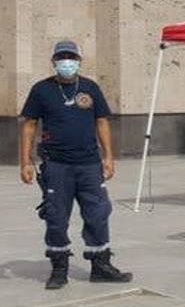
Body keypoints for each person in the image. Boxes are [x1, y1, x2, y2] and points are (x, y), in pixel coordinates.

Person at [19, 40, 131, 290]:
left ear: (79, 61)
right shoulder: (41, 90)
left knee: (98, 214)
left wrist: (109, 156)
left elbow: (102, 121)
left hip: (89, 165)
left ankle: (100, 265)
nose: (66, 62)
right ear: (54, 61)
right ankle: (59, 267)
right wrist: (25, 161)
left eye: (71, 57)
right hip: (56, 165)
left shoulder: (90, 88)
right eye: (61, 58)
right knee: (56, 218)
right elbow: (29, 125)